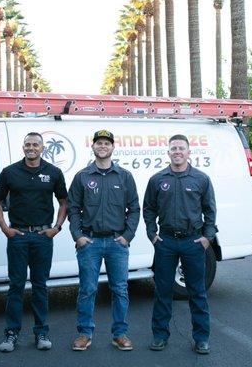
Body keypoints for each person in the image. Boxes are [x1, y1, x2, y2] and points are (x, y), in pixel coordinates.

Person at [0, 132, 67, 352]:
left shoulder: (53, 172)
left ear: (42, 148)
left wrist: (56, 228)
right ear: (23, 147)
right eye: (27, 144)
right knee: (15, 286)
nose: (31, 148)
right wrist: (6, 229)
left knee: (40, 286)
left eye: (35, 145)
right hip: (19, 238)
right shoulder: (10, 172)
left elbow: (64, 202)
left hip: (43, 238)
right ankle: (11, 334)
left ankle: (42, 332)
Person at [143, 134, 217, 355]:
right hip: (165, 242)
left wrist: (207, 238)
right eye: (173, 148)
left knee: (197, 292)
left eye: (181, 148)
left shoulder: (201, 179)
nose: (177, 152)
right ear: (168, 152)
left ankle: (201, 338)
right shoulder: (157, 179)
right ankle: (160, 336)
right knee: (162, 292)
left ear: (188, 152)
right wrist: (152, 234)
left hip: (192, 242)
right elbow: (148, 209)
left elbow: (210, 211)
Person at [68, 129, 140, 351]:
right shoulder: (82, 176)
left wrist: (127, 236)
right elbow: (73, 208)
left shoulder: (124, 176)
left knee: (120, 289)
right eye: (99, 143)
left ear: (112, 147)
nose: (102, 146)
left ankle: (119, 334)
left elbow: (135, 208)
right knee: (87, 289)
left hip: (116, 244)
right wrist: (78, 236)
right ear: (93, 147)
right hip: (90, 243)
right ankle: (84, 333)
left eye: (106, 143)